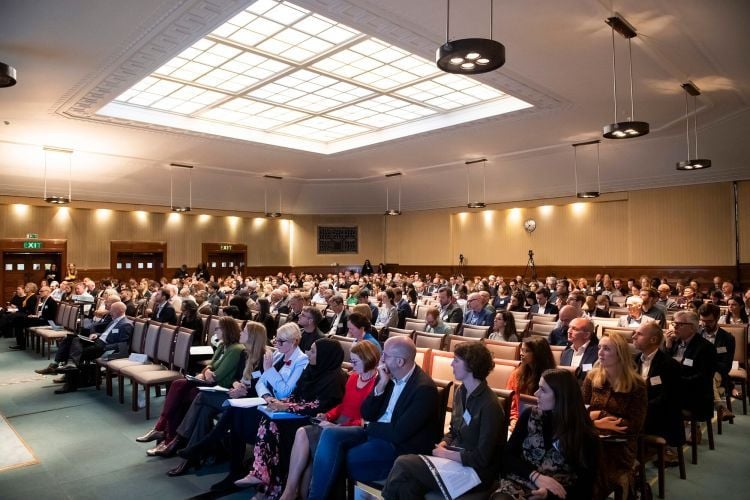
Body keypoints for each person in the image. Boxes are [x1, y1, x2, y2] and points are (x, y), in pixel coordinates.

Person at [307, 336, 439, 500]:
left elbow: (398, 433)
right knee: (329, 435)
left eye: (386, 355)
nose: (381, 359)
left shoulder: (423, 389)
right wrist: (380, 387)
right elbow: (367, 412)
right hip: (375, 432)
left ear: (399, 362)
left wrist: (367, 425)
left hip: (396, 445)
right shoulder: (386, 376)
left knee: (337, 459)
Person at [219, 339, 346, 497]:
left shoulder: (335, 378)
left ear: (325, 356)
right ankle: (261, 476)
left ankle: (269, 487)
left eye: (313, 351)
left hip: (312, 420)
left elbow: (317, 406)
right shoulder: (312, 370)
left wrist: (286, 406)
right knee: (268, 419)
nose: (308, 353)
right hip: (297, 413)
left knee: (276, 427)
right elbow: (295, 395)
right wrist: (279, 402)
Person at [383, 342, 503, 499]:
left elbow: (482, 458)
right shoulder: (461, 391)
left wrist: (446, 454)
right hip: (456, 462)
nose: (451, 364)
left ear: (471, 365)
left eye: (456, 360)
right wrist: (444, 443)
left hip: (476, 472)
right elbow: (454, 430)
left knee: (403, 462)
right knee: (408, 486)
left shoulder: (490, 405)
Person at [279, 341, 380, 500]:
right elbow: (343, 405)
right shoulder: (354, 377)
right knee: (302, 433)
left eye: (355, 361)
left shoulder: (378, 383)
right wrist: (328, 416)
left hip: (352, 429)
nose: (352, 366)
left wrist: (336, 425)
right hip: (338, 423)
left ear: (367, 359)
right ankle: (290, 490)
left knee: (310, 446)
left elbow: (364, 419)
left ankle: (293, 493)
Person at [166, 321, 270, 476]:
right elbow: (236, 377)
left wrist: (242, 391)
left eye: (244, 332)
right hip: (235, 395)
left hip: (248, 402)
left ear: (253, 337)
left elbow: (263, 388)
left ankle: (181, 440)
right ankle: (191, 455)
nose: (240, 333)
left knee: (202, 397)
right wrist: (237, 386)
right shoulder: (244, 354)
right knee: (204, 409)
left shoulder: (264, 358)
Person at [138, 316, 245, 457]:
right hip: (208, 384)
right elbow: (210, 366)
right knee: (179, 391)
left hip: (219, 388)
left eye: (218, 328)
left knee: (180, 389)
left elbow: (218, 375)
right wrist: (207, 371)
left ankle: (164, 432)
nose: (215, 330)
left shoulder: (236, 349)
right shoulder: (222, 345)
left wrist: (208, 371)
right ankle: (168, 437)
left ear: (226, 330)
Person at [494, 368, 601, 500]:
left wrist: (549, 495)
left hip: (557, 494)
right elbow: (507, 456)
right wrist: (534, 476)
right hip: (520, 483)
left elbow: (585, 486)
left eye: (543, 390)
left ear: (561, 396)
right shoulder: (529, 415)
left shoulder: (585, 435)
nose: (536, 393)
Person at [583, 332, 647, 497]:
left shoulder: (636, 385)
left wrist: (598, 415)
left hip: (620, 445)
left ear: (620, 354)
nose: (600, 353)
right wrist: (598, 422)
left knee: (596, 473)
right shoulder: (591, 378)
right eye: (599, 348)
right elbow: (582, 412)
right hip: (592, 438)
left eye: (607, 349)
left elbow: (635, 425)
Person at [632, 321, 684, 463]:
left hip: (660, 415)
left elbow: (667, 399)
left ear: (653, 340)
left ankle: (632, 465)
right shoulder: (633, 360)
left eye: (639, 334)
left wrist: (640, 408)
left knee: (624, 427)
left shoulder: (669, 365)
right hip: (638, 411)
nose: (633, 336)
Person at [55, 302, 133, 393]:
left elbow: (123, 344)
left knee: (74, 351)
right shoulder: (114, 320)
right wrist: (97, 334)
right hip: (97, 341)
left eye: (112, 310)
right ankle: (59, 366)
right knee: (72, 339)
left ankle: (70, 383)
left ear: (120, 311)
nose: (110, 312)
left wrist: (105, 347)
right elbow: (106, 334)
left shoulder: (126, 324)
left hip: (104, 347)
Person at [506, 337, 556, 431]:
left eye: (527, 351)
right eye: (522, 350)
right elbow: (512, 401)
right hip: (519, 420)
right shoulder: (516, 374)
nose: (521, 353)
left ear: (538, 354)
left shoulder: (551, 378)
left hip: (543, 424)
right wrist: (513, 419)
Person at [698, 303, 736, 421]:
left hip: (717, 373)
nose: (705, 324)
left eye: (709, 321)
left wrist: (707, 363)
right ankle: (720, 406)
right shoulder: (696, 334)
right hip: (696, 372)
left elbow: (726, 366)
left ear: (717, 318)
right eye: (702, 320)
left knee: (707, 377)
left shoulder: (727, 339)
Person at [559, 317, 599, 381]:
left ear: (586, 335)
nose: (569, 331)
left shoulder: (598, 352)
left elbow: (590, 370)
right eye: (569, 327)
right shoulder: (566, 353)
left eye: (574, 329)